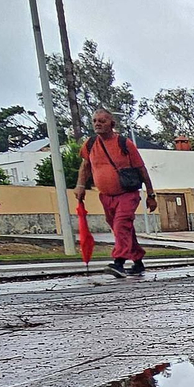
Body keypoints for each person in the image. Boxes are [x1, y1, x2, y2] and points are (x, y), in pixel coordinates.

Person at [76, 108, 156, 277]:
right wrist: (80, 186)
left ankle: (118, 262)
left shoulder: (124, 143)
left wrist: (151, 195)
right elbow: (85, 167)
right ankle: (138, 262)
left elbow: (142, 169)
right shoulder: (90, 144)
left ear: (112, 124)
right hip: (106, 196)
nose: (98, 124)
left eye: (102, 121)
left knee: (121, 225)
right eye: (95, 121)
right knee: (122, 229)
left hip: (127, 194)